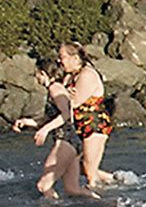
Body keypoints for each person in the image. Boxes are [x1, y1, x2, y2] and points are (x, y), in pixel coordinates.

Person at [17, 58, 96, 199]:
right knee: (73, 189)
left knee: (43, 186)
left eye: (36, 74)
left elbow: (66, 115)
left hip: (66, 140)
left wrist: (45, 130)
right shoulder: (56, 88)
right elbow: (52, 118)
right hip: (73, 141)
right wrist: (28, 122)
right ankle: (101, 203)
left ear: (43, 73)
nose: (36, 78)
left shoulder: (55, 89)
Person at [40, 42, 114, 189]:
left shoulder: (87, 75)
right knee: (82, 168)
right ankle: (116, 181)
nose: (59, 61)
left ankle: (98, 199)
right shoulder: (70, 76)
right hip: (78, 127)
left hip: (94, 125)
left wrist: (66, 95)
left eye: (62, 57)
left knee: (89, 171)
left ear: (75, 58)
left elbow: (74, 104)